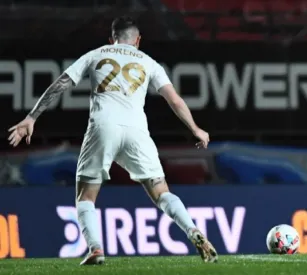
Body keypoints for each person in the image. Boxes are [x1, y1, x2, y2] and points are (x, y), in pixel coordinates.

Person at [8, 16, 218, 264]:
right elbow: (174, 100)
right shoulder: (149, 62)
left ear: (112, 39)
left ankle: (96, 248)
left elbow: (62, 82)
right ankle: (192, 230)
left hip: (103, 127)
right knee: (161, 192)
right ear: (138, 40)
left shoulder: (97, 53)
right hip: (137, 131)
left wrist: (32, 117)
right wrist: (195, 129)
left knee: (86, 197)